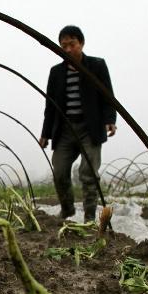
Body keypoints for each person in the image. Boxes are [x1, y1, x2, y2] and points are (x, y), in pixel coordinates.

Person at [39, 25, 117, 223]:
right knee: (59, 172)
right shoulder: (56, 72)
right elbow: (51, 105)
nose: (67, 49)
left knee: (88, 173)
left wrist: (110, 119)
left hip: (89, 128)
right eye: (63, 45)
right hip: (65, 129)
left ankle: (90, 217)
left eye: (71, 44)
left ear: (81, 43)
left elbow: (107, 94)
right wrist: (45, 133)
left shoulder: (97, 65)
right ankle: (67, 210)